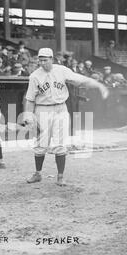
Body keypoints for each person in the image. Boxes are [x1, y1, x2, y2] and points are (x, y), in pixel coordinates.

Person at [23, 48, 109, 186]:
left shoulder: (62, 70)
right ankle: (38, 173)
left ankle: (60, 177)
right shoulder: (34, 76)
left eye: (45, 60)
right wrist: (28, 115)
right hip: (42, 110)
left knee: (60, 144)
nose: (42, 63)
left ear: (52, 59)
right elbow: (30, 99)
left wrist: (98, 85)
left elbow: (81, 80)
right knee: (40, 144)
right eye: (40, 60)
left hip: (60, 109)